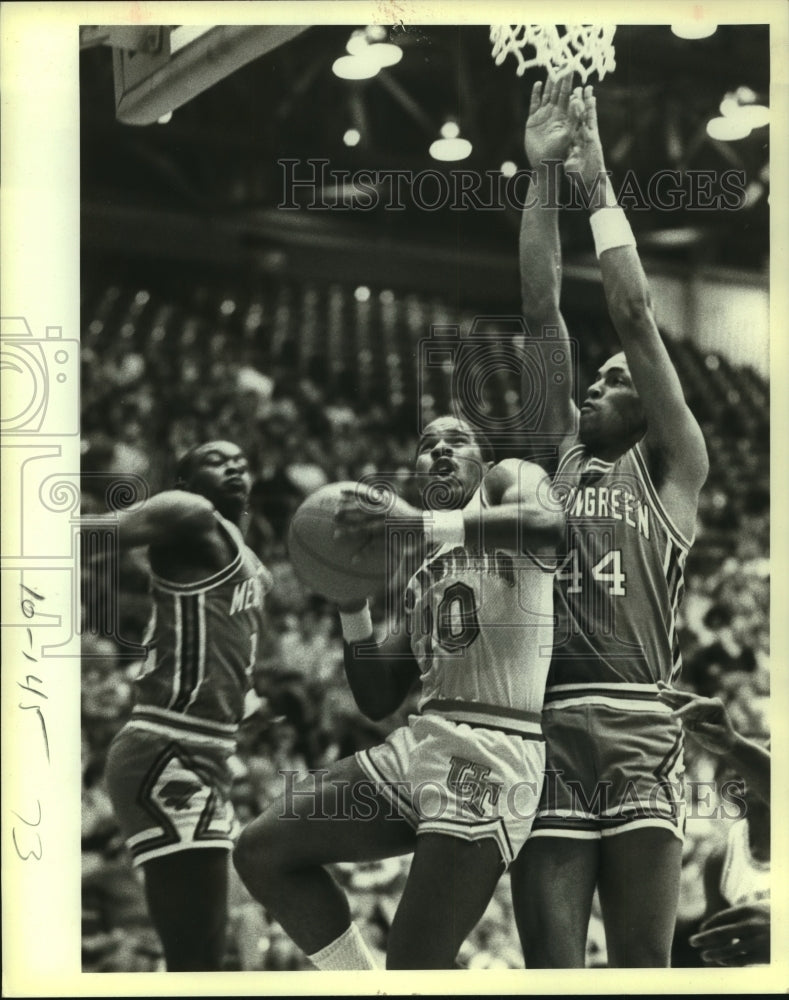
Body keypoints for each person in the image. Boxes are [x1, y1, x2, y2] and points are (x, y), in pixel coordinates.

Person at [233, 415, 564, 969]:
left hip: (492, 750)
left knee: (414, 966)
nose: (438, 450)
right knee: (262, 850)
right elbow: (378, 696)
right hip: (421, 744)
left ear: (481, 458)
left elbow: (549, 526)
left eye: (455, 441)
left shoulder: (510, 480)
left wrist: (422, 524)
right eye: (426, 445)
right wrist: (350, 602)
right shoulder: (421, 571)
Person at [509, 77, 710, 967]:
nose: (595, 383)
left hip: (635, 727)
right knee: (552, 975)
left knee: (642, 972)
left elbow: (633, 316)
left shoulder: (672, 467)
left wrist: (596, 186)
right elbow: (540, 311)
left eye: (614, 381)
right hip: (548, 726)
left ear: (651, 402)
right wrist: (540, 176)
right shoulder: (557, 456)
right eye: (591, 380)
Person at [104, 440, 274, 970]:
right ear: (183, 481)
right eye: (216, 460)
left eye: (242, 461)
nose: (235, 465)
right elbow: (92, 537)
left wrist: (245, 700)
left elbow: (214, 641)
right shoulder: (189, 513)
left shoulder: (248, 559)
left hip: (207, 750)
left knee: (202, 957)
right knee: (196, 962)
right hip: (166, 746)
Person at [656, 683, 770, 967]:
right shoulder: (723, 856)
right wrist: (730, 742)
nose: (740, 773)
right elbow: (715, 956)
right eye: (732, 767)